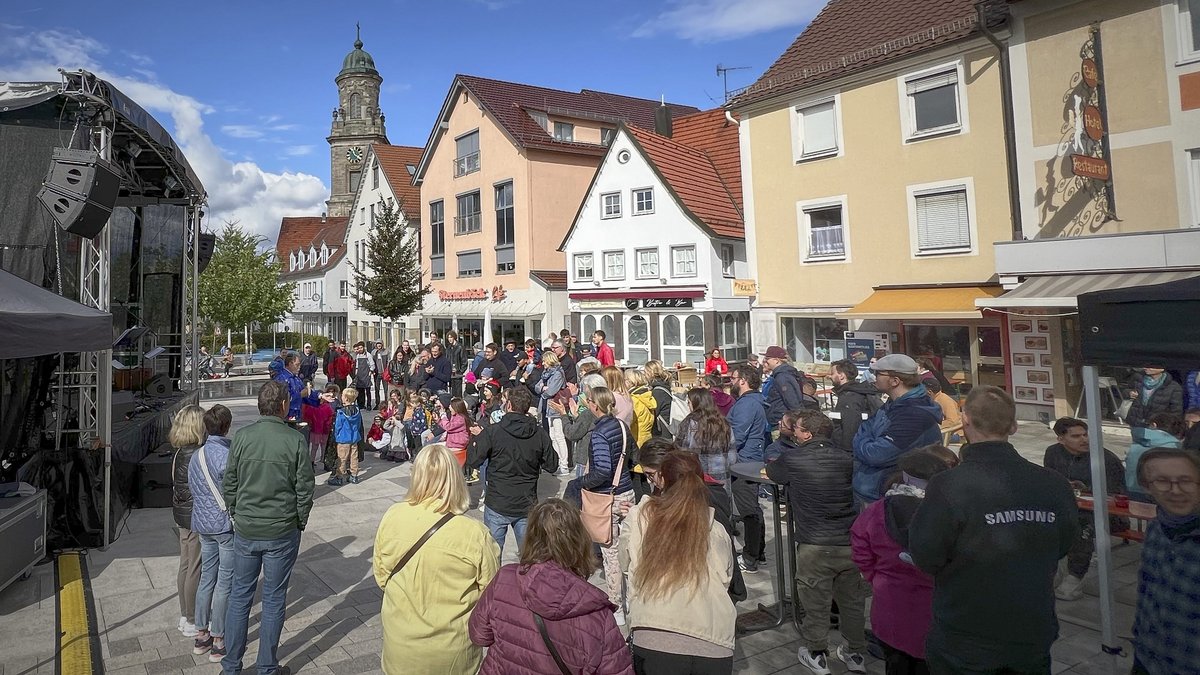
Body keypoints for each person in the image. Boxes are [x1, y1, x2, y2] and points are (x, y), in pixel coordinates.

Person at [908, 386, 1077, 675]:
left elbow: (926, 555)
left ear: (966, 421)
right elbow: (1063, 543)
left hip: (968, 630)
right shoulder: (1054, 483)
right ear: (1013, 425)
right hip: (1031, 627)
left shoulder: (949, 485)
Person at [374, 444, 500, 675]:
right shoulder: (475, 533)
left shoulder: (392, 516)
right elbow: (490, 596)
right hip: (452, 650)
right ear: (455, 479)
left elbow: (382, 576)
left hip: (400, 645)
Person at [470, 499, 633, 675]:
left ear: (531, 536)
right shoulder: (597, 613)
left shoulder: (504, 578)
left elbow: (479, 634)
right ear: (579, 540)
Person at [221, 380, 315, 675]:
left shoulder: (243, 437)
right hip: (281, 529)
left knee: (240, 596)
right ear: (284, 405)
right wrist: (299, 521)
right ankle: (266, 668)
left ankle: (231, 667)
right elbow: (305, 489)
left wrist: (238, 513)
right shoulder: (294, 439)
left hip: (248, 528)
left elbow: (230, 483)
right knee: (274, 599)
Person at [766, 410, 868, 673]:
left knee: (815, 602)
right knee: (852, 602)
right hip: (848, 540)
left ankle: (817, 652)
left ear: (807, 434)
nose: (793, 433)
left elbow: (773, 472)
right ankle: (856, 653)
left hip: (815, 541)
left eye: (797, 429)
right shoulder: (847, 458)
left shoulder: (793, 457)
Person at [621, 451, 737, 673]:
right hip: (714, 638)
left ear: (662, 479)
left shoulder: (640, 516)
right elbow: (726, 577)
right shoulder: (717, 529)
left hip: (654, 630)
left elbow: (627, 565)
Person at [851, 449, 957, 675]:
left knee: (895, 664)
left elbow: (860, 548)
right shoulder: (948, 514)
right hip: (935, 608)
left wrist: (876, 577)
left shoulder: (877, 510)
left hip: (889, 604)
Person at [566, 387, 635, 623]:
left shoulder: (599, 433)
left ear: (595, 405)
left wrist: (581, 482)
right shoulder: (622, 427)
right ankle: (633, 598)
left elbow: (603, 470)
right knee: (632, 549)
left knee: (611, 553)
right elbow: (632, 457)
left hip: (608, 498)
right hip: (627, 492)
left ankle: (616, 605)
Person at [1129, 448, 1200, 675]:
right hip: (1147, 660)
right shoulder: (1156, 529)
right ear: (1146, 486)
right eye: (1162, 481)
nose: (1175, 490)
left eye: (1186, 481)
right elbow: (1148, 591)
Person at [1042, 417, 1126, 601]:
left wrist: (1086, 490)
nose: (1084, 439)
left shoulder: (1105, 459)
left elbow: (1116, 495)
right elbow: (1049, 481)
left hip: (1103, 514)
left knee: (1080, 527)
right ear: (1061, 439)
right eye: (1076, 436)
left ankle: (1075, 576)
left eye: (1085, 434)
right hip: (1065, 508)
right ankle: (1051, 570)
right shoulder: (1053, 453)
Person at [467, 386, 558, 554]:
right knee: (529, 558)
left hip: (500, 502)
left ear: (508, 405)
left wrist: (477, 439)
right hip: (523, 502)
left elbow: (473, 460)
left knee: (493, 557)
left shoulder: (493, 432)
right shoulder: (539, 433)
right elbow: (552, 464)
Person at [852, 354, 943, 506]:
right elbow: (866, 427)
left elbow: (876, 454)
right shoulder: (894, 403)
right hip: (873, 490)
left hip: (884, 497)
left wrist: (860, 442)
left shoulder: (913, 414)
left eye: (878, 373)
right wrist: (866, 440)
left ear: (895, 381)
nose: (873, 377)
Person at [189, 405, 234, 662]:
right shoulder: (225, 456)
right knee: (225, 581)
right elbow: (232, 490)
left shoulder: (197, 455)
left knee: (207, 577)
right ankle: (218, 637)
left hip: (202, 524)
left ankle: (201, 633)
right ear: (226, 426)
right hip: (223, 525)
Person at [170, 404, 206, 638]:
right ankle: (192, 618)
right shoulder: (196, 454)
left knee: (185, 564)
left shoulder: (179, 453)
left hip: (182, 515)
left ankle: (185, 614)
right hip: (195, 516)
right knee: (194, 566)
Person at [727, 365, 768, 574]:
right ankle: (758, 551)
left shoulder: (747, 404)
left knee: (748, 510)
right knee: (752, 507)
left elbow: (737, 435)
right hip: (749, 459)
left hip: (744, 462)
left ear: (743, 380)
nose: (731, 382)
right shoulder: (752, 402)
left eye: (733, 378)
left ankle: (751, 557)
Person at [675, 388, 737, 489]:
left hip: (697, 477)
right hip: (721, 478)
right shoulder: (724, 423)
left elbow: (680, 452)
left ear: (696, 403)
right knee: (720, 503)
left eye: (689, 402)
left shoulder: (689, 423)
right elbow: (732, 456)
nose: (688, 405)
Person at [1126, 413, 1185, 502]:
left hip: (1131, 490)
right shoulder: (1176, 447)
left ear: (1153, 425)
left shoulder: (1138, 443)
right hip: (1161, 495)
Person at [829, 359, 881, 451]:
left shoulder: (850, 396)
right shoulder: (858, 391)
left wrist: (847, 452)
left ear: (841, 376)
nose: (829, 376)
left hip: (849, 450)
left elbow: (850, 427)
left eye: (832, 373)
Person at [534, 351, 572, 476]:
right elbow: (537, 387)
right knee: (553, 436)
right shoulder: (545, 374)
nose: (543, 363)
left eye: (544, 361)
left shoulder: (557, 373)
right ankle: (556, 463)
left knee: (559, 436)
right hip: (547, 407)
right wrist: (542, 389)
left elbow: (551, 391)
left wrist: (543, 390)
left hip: (556, 407)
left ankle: (564, 465)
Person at [762, 345, 813, 437]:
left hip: (783, 424)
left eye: (767, 358)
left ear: (776, 360)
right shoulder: (779, 375)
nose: (765, 361)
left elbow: (793, 401)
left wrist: (794, 422)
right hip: (779, 421)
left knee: (781, 450)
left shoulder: (783, 377)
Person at [273, 353, 328, 421]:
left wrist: (321, 396)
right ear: (290, 364)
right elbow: (281, 401)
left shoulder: (296, 379)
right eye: (297, 364)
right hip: (285, 417)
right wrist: (300, 395)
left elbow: (307, 394)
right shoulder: (282, 379)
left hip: (297, 415)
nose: (299, 367)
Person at [328, 387, 364, 486]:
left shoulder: (341, 412)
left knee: (342, 458)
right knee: (354, 457)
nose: (341, 397)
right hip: (354, 437)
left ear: (346, 398)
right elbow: (359, 423)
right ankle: (354, 475)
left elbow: (338, 426)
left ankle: (339, 477)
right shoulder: (357, 410)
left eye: (343, 395)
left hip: (343, 438)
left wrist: (336, 436)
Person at [302, 384, 336, 471]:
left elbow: (307, 416)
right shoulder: (327, 407)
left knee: (315, 447)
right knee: (322, 447)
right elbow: (330, 418)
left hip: (316, 430)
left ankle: (313, 462)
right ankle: (323, 462)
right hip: (323, 431)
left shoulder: (313, 407)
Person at [626, 369, 658, 447]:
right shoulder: (646, 396)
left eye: (624, 380)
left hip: (636, 440)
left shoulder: (635, 400)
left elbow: (630, 421)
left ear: (631, 382)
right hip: (647, 437)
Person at [644, 361, 674, 437]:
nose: (644, 375)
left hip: (663, 433)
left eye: (645, 372)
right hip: (666, 428)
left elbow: (652, 413)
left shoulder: (658, 392)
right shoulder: (663, 386)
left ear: (650, 373)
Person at [443, 396, 471, 469]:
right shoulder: (455, 416)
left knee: (440, 452)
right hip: (452, 442)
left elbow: (449, 427)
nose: (449, 407)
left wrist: (443, 417)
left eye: (451, 406)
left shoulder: (460, 419)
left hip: (457, 444)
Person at [350, 342, 376, 410]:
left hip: (366, 375)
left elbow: (372, 364)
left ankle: (369, 405)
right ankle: (361, 404)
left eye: (361, 347)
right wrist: (356, 374)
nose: (360, 349)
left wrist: (371, 371)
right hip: (359, 375)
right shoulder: (358, 356)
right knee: (360, 391)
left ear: (364, 347)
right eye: (359, 348)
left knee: (368, 391)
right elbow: (357, 366)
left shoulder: (368, 355)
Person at [371, 340, 388, 404]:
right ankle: (377, 403)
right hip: (377, 373)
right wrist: (372, 370)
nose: (379, 345)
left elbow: (388, 361)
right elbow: (371, 362)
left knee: (386, 389)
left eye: (380, 343)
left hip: (384, 373)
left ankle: (386, 402)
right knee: (377, 389)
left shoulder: (386, 351)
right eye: (377, 344)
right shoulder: (373, 352)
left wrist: (387, 371)